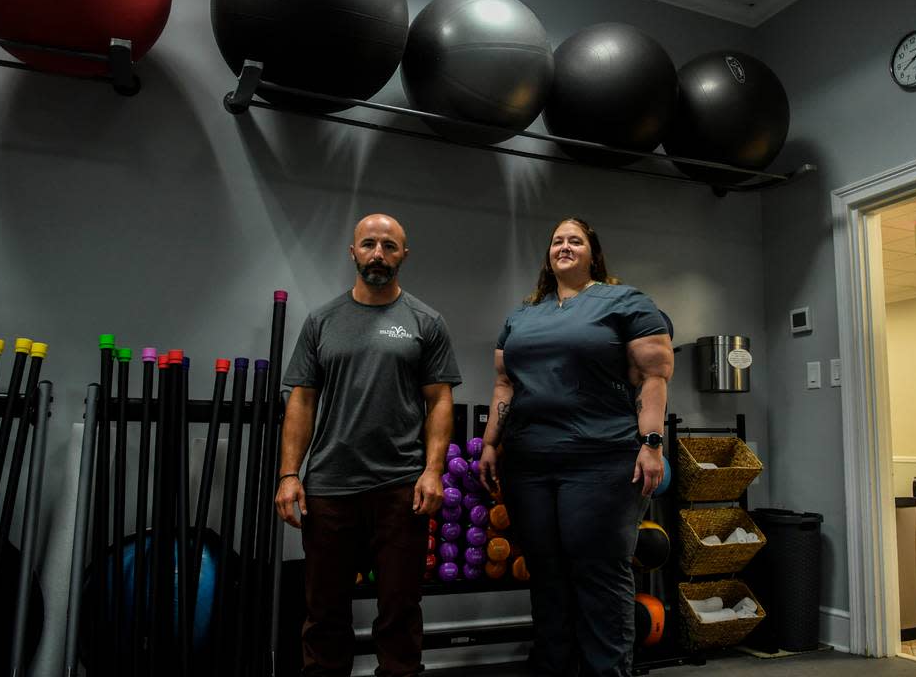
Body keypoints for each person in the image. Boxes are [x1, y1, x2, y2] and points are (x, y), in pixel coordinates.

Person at [478, 217, 674, 677]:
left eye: (575, 240)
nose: (564, 246)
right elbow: (505, 384)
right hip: (528, 463)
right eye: (557, 240)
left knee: (598, 576)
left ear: (593, 253)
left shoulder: (625, 302)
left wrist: (651, 444)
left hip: (601, 461)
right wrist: (491, 444)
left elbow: (654, 376)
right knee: (545, 576)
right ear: (548, 254)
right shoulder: (522, 316)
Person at [276, 213, 462, 677]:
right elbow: (301, 401)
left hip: (400, 487)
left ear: (403, 255)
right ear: (353, 252)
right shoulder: (322, 321)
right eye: (369, 244)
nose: (378, 254)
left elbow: (440, 400)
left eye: (389, 246)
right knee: (325, 612)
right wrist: (288, 473)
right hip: (330, 486)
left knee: (400, 610)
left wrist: (434, 470)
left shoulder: (426, 321)